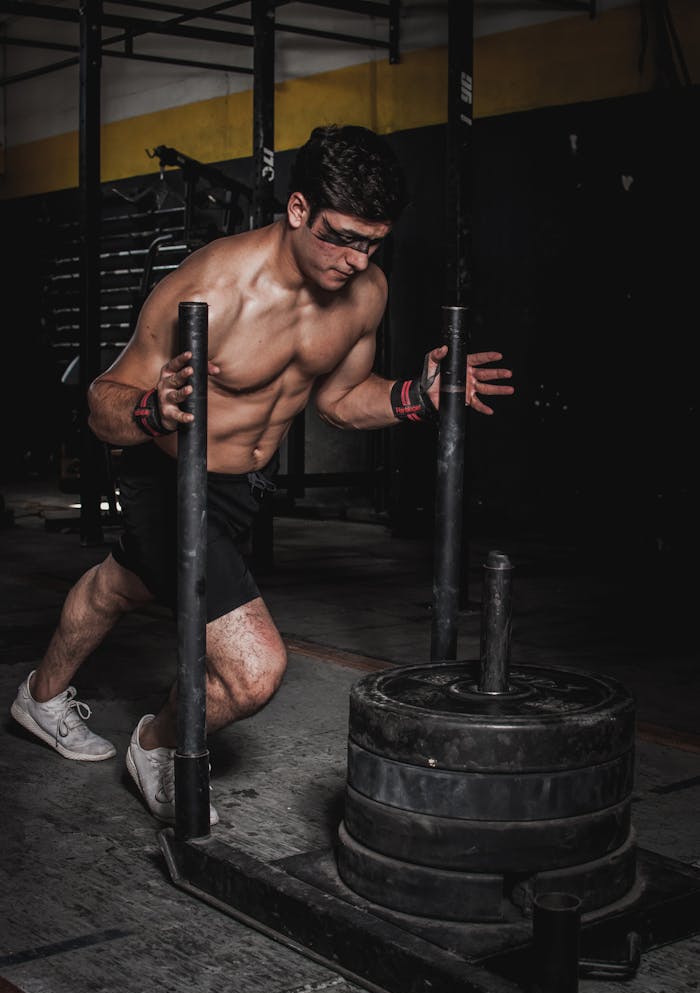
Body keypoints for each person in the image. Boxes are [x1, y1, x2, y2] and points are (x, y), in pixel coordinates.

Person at [11, 125, 513, 824]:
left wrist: (414, 398)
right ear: (299, 208)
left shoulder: (366, 292)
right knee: (253, 673)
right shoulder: (212, 287)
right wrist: (156, 409)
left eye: (372, 241)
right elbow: (102, 404)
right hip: (169, 477)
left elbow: (339, 401)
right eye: (341, 236)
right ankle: (157, 746)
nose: (354, 259)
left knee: (118, 585)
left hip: (243, 487)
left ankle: (37, 699)